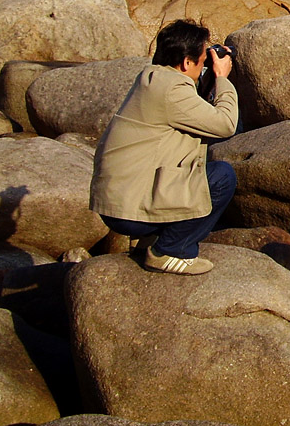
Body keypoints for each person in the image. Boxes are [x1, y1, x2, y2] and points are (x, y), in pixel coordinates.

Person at [90, 19, 239, 275]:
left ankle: (153, 242)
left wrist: (206, 80)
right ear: (186, 63)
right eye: (203, 61)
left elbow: (192, 113)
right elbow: (225, 125)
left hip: (117, 202)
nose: (205, 66)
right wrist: (222, 79)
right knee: (222, 177)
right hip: (128, 212)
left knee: (201, 172)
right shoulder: (172, 89)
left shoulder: (152, 79)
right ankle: (170, 250)